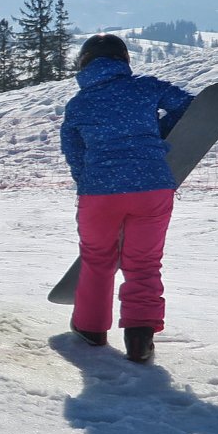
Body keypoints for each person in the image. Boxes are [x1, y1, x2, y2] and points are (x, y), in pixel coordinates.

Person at [60, 33, 194, 364]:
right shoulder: (147, 88)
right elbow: (190, 107)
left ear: (84, 63)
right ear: (124, 60)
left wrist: (88, 180)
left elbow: (74, 151)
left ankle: (90, 329)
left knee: (97, 258)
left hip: (99, 193)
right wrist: (156, 136)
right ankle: (139, 336)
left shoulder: (78, 105)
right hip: (152, 188)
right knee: (144, 263)